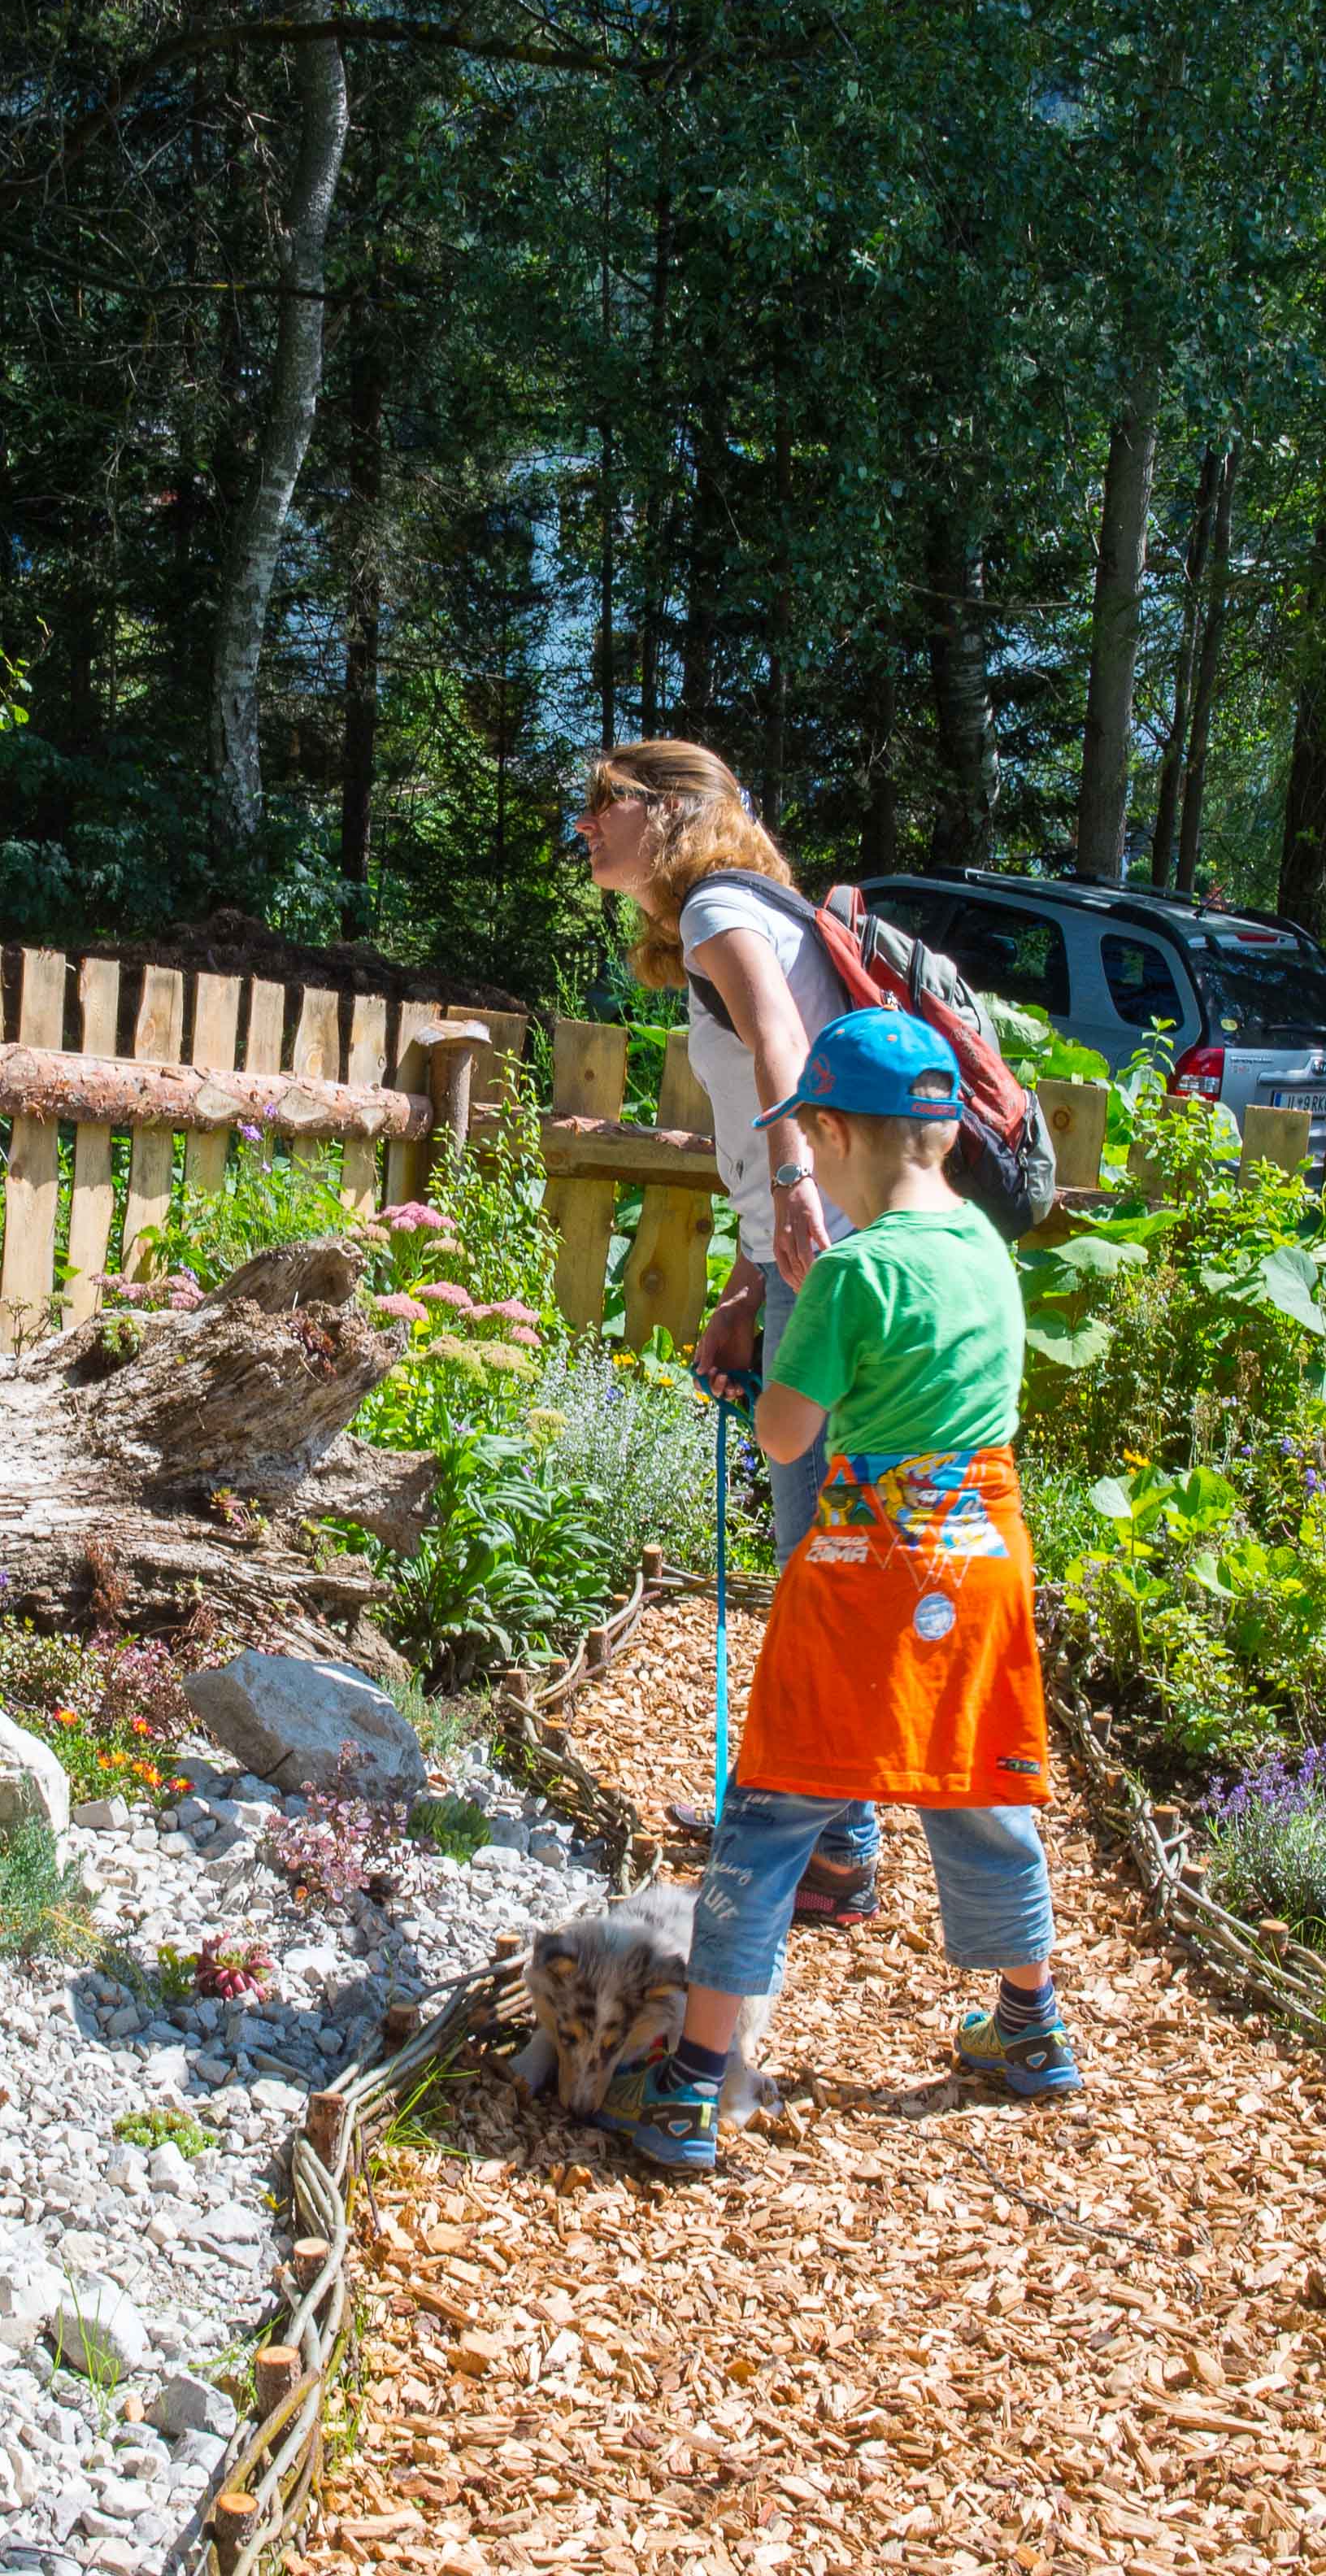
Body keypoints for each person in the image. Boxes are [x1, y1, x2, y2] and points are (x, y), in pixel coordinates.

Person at [600, 1006, 1078, 2174]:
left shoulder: (852, 1276)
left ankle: (692, 2088)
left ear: (831, 1132)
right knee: (979, 1789)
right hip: (980, 1566)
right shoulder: (987, 1254)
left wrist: (758, 1378)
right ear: (945, 1135)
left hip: (866, 1573)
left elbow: (784, 1433)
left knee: (770, 1819)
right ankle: (1030, 2029)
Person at [572, 740, 883, 1931]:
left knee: (822, 1563)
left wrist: (799, 1199)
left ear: (673, 810)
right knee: (820, 1556)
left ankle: (833, 1846)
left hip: (838, 1259)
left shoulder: (717, 904)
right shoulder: (725, 913)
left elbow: (780, 1052)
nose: (585, 826)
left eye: (606, 803)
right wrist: (756, 1282)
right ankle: (810, 1820)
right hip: (812, 1263)